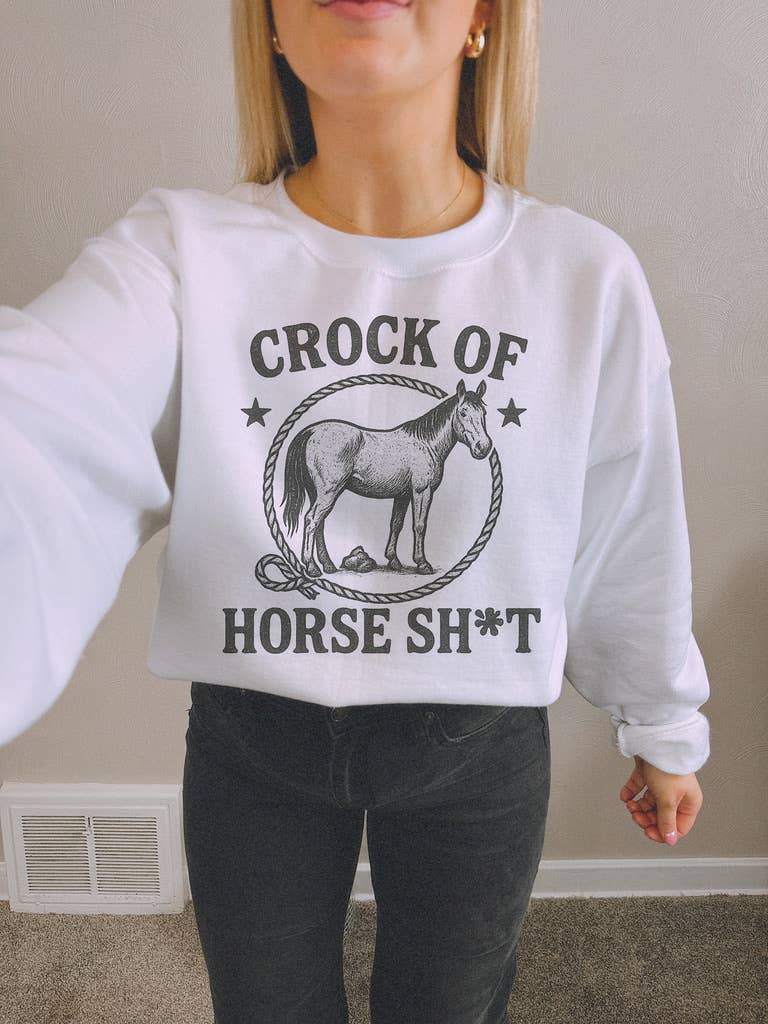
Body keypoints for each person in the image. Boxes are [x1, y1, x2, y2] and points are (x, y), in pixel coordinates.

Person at [0, 0, 711, 1021]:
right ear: (270, 25)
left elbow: (626, 526)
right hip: (255, 740)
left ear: (485, 18)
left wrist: (663, 718)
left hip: (481, 741)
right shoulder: (177, 253)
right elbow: (51, 405)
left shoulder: (583, 276)